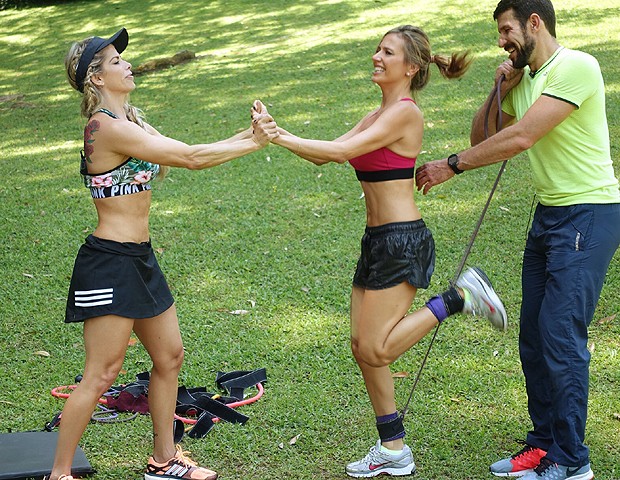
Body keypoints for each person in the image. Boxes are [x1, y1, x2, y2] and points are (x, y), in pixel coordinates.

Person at [253, 25, 508, 478]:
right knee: (361, 347)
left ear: (410, 67)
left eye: (387, 52)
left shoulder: (405, 114)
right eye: (377, 49)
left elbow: (338, 152)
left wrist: (278, 138)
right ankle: (393, 448)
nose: (376, 56)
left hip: (401, 240)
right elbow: (326, 153)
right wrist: (279, 132)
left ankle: (459, 298)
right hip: (377, 242)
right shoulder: (377, 115)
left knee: (377, 348)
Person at [49, 28, 277, 480]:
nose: (127, 64)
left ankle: (163, 460)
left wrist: (250, 133)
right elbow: (192, 157)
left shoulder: (131, 120)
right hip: (109, 262)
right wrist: (254, 143)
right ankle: (59, 474)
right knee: (102, 373)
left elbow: (179, 155)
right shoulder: (104, 128)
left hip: (139, 260)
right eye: (115, 61)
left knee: (170, 356)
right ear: (95, 78)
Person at [415, 1, 620, 479]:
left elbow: (523, 136)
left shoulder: (577, 67)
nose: (501, 40)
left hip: (588, 213)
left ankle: (572, 461)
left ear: (534, 22)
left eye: (506, 30)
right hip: (549, 215)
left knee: (559, 336)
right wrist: (499, 88)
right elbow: (485, 132)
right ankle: (544, 444)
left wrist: (452, 164)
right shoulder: (523, 79)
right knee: (533, 336)